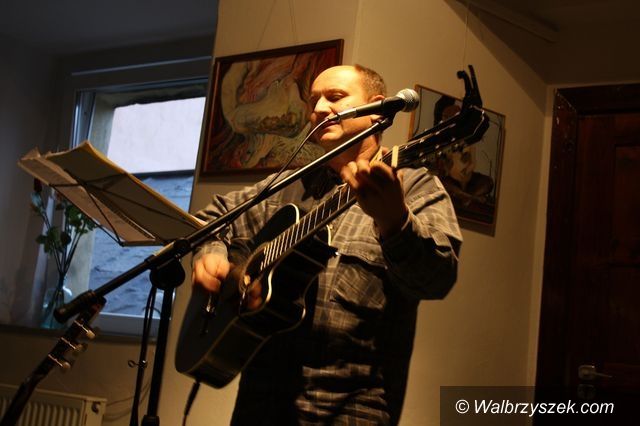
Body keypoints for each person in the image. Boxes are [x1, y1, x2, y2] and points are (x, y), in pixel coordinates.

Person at [191, 64, 462, 425]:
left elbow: (437, 279)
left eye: (334, 97)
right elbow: (209, 220)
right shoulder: (285, 186)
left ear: (378, 108)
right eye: (313, 101)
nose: (318, 109)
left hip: (352, 409)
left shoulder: (414, 188)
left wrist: (395, 222)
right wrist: (210, 254)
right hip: (258, 404)